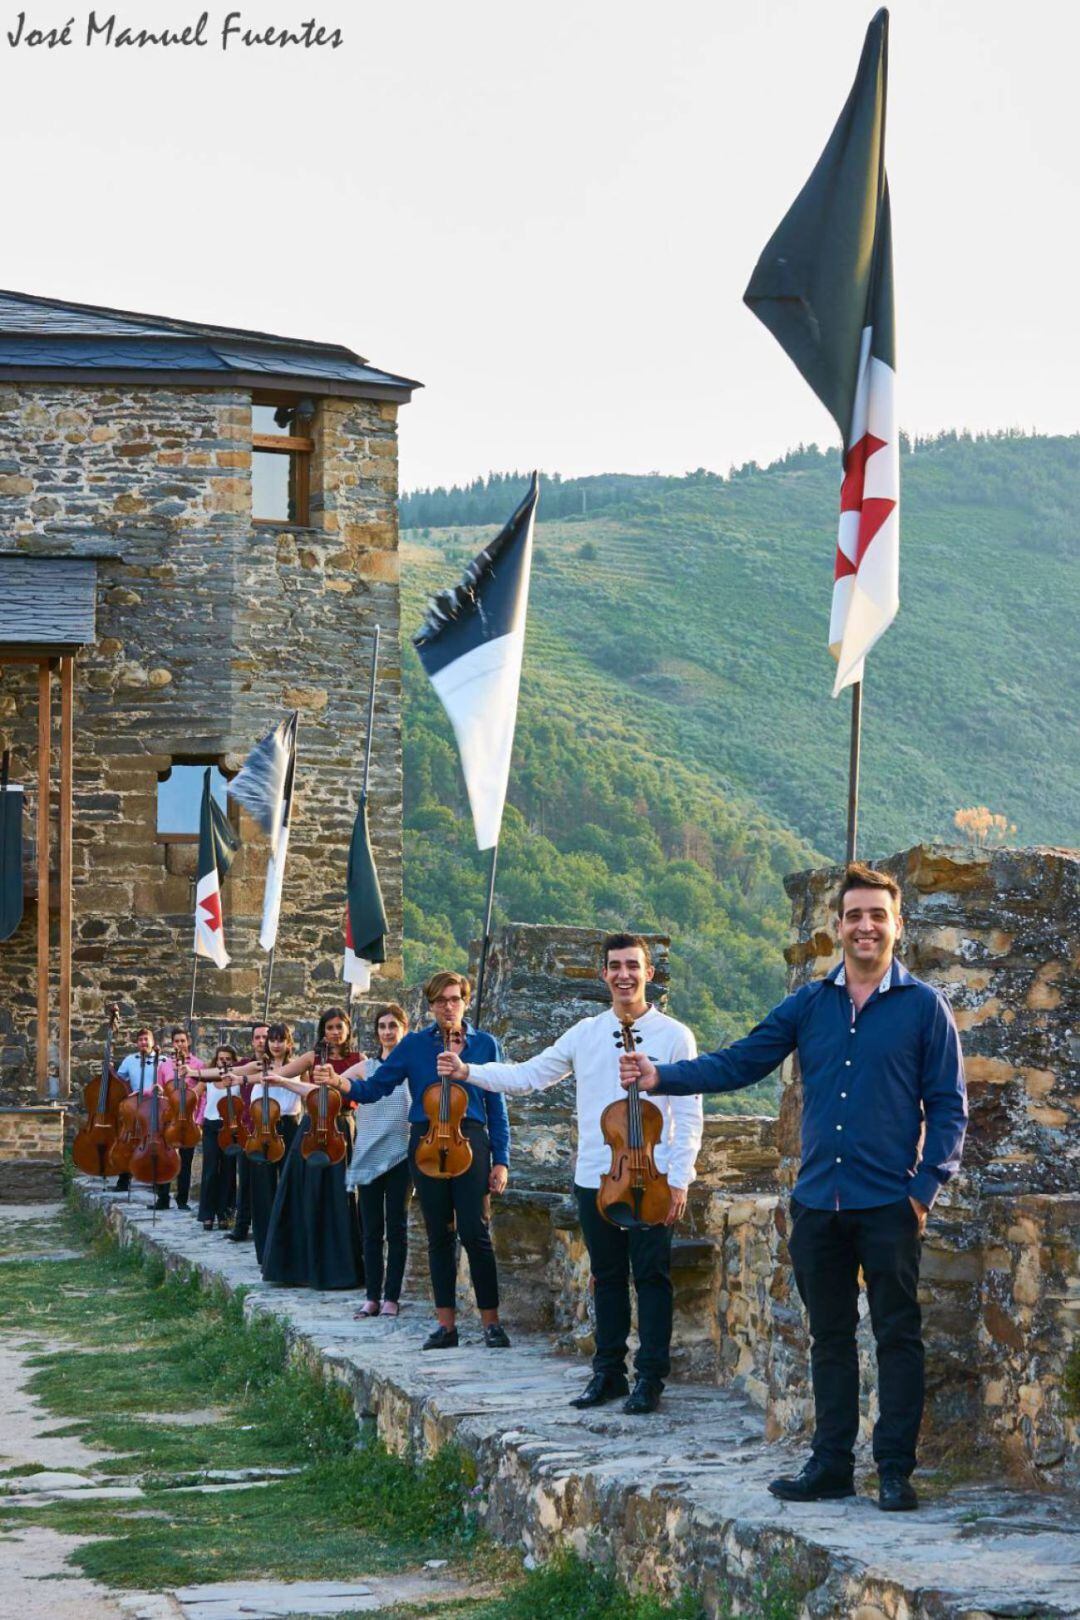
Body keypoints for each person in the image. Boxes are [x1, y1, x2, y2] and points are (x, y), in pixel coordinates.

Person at [620, 863, 967, 1510]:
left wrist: (923, 1190)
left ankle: (894, 1469)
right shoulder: (809, 1003)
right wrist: (661, 1076)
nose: (866, 926)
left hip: (890, 1203)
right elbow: (742, 1060)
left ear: (898, 926)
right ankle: (832, 1464)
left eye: (877, 915)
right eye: (854, 915)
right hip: (817, 1204)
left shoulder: (925, 1008)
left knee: (896, 1336)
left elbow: (949, 1107)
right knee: (829, 1336)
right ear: (837, 927)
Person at [438, 933, 702, 1413]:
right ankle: (608, 1373)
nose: (624, 975)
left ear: (649, 974)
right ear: (603, 974)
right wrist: (468, 1073)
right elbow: (528, 1076)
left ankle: (650, 1378)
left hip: (656, 1179)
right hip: (596, 1177)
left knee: (651, 1277)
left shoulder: (674, 1036)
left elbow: (688, 1113)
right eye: (615, 966)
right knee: (605, 1277)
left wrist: (681, 1177)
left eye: (632, 966)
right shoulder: (585, 1033)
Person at [333, 971, 511, 1351]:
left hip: (471, 1142)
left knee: (476, 1233)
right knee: (438, 1235)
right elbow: (377, 1087)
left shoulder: (485, 1045)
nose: (449, 1007)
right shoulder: (413, 1046)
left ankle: (491, 1323)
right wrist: (341, 1084)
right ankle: (446, 1326)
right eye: (441, 1001)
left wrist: (502, 1160)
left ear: (464, 1001)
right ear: (430, 1006)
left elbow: (497, 1105)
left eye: (455, 999)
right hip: (426, 1142)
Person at [260, 1007, 363, 1290]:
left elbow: (362, 1093)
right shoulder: (311, 1057)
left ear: (347, 1030)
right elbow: (277, 1074)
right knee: (305, 1193)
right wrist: (253, 1075)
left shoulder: (359, 1060)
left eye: (339, 1027)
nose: (334, 1032)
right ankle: (301, 1267)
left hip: (342, 1128)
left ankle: (341, 1269)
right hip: (311, 1129)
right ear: (322, 1031)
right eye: (329, 1027)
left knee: (341, 1196)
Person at [343, 1004, 412, 1319]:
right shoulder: (365, 1068)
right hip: (368, 1157)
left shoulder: (414, 1068)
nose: (387, 1031)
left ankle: (391, 1297)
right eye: (382, 1026)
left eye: (393, 1026)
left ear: (403, 1029)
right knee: (371, 1230)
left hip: (402, 1156)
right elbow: (330, 1086)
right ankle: (371, 1295)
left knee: (396, 1228)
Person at [230, 1022, 307, 1263]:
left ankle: (290, 1249)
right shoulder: (256, 1066)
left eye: (280, 1039)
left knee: (289, 1189)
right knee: (262, 1193)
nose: (275, 1044)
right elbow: (229, 1075)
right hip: (261, 1131)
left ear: (288, 1043)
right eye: (271, 1040)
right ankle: (265, 1252)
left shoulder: (297, 1067)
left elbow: (308, 1092)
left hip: (288, 1127)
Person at [158, 1027, 207, 1211]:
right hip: (170, 1120)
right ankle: (162, 1199)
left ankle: (182, 1200)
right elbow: (161, 1093)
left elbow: (203, 1096)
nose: (180, 1044)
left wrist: (199, 1119)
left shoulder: (198, 1065)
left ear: (189, 1042)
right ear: (172, 1043)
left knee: (186, 1162)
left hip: (189, 1121)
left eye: (183, 1041)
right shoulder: (164, 1066)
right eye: (176, 1041)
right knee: (165, 1158)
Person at [113, 1027, 164, 1198]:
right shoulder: (129, 1060)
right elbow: (120, 1081)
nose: (143, 1042)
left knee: (154, 1141)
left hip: (154, 1106)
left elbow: (167, 1083)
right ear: (137, 1043)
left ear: (153, 1042)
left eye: (146, 1039)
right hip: (135, 1105)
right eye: (140, 1039)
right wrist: (111, 1071)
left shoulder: (162, 1060)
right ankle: (124, 1179)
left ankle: (156, 1180)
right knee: (129, 1141)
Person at [196, 1044, 242, 1231]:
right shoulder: (208, 1076)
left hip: (231, 1128)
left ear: (233, 1061)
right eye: (221, 1058)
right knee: (210, 1171)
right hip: (211, 1125)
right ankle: (207, 1215)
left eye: (228, 1059)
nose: (224, 1061)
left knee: (229, 1171)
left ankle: (225, 1213)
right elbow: (195, 1094)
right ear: (216, 1059)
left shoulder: (238, 1079)